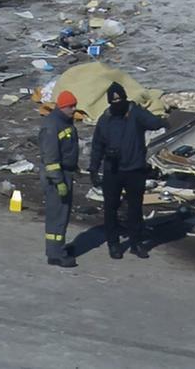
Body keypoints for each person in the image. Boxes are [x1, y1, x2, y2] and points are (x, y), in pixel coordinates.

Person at [89, 82, 168, 259]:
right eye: (114, 100)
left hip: (135, 169)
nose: (118, 103)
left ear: (125, 98)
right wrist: (94, 169)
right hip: (113, 170)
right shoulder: (105, 119)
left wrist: (164, 121)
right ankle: (113, 243)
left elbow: (153, 123)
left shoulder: (135, 113)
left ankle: (136, 243)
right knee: (111, 208)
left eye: (120, 99)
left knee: (135, 209)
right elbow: (97, 146)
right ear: (110, 102)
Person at [40, 90, 80, 268]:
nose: (74, 109)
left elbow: (67, 150)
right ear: (62, 106)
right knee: (57, 216)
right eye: (71, 106)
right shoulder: (52, 126)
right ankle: (56, 254)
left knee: (61, 215)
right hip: (57, 177)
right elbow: (51, 158)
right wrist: (59, 181)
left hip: (65, 173)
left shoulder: (64, 122)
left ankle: (57, 249)